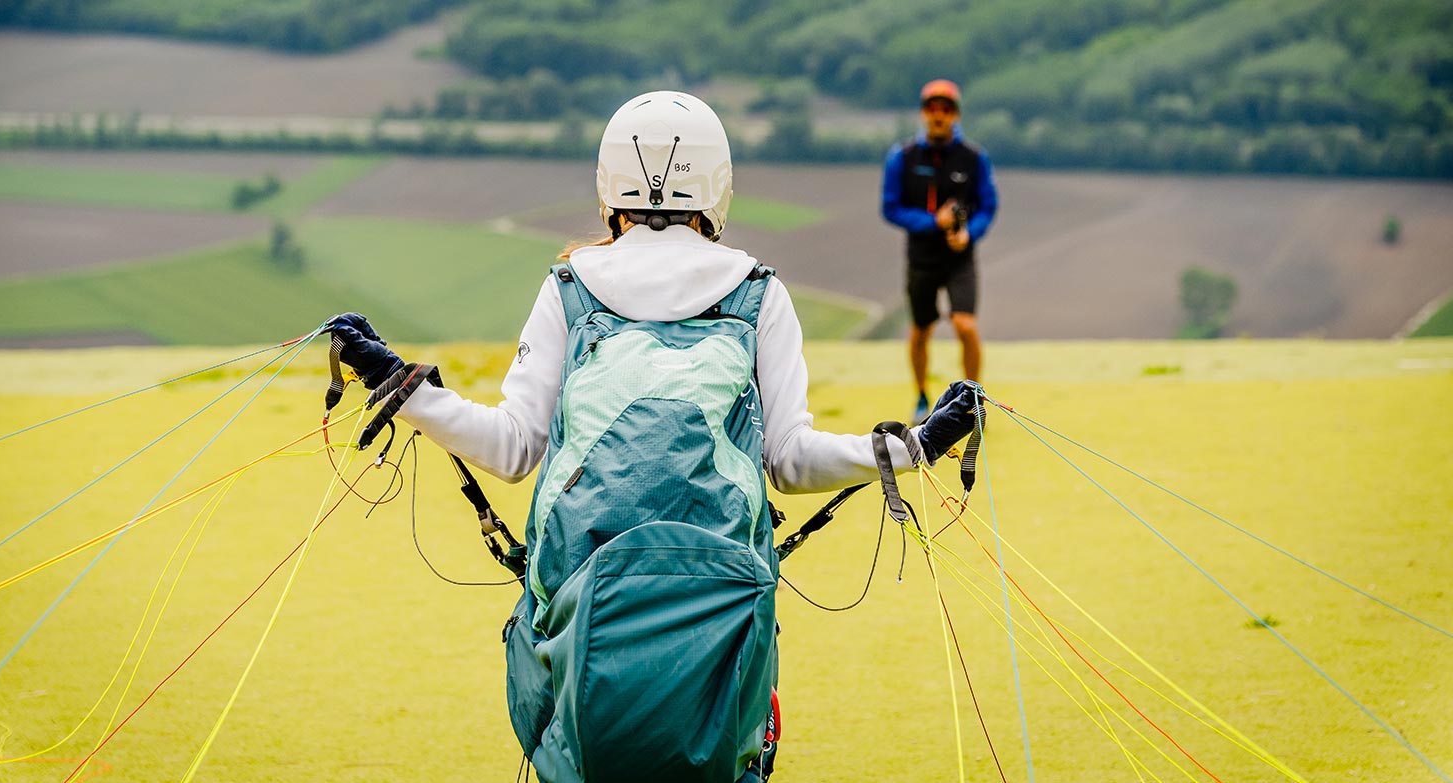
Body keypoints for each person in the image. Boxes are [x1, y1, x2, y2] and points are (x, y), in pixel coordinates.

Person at [326, 91, 980, 783]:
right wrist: (912, 447)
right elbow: (791, 461)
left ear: (610, 186)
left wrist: (399, 383)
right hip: (725, 603)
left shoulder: (568, 287)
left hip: (574, 606)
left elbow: (511, 448)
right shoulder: (759, 292)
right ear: (717, 186)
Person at [881, 78, 998, 423]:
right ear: (923, 113)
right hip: (921, 259)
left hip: (960, 257)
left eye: (946, 109)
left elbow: (988, 206)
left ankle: (973, 399)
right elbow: (890, 208)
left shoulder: (974, 158)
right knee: (921, 329)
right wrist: (934, 221)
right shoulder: (902, 157)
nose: (939, 115)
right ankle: (921, 396)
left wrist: (969, 233)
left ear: (955, 115)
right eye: (932, 109)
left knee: (965, 325)